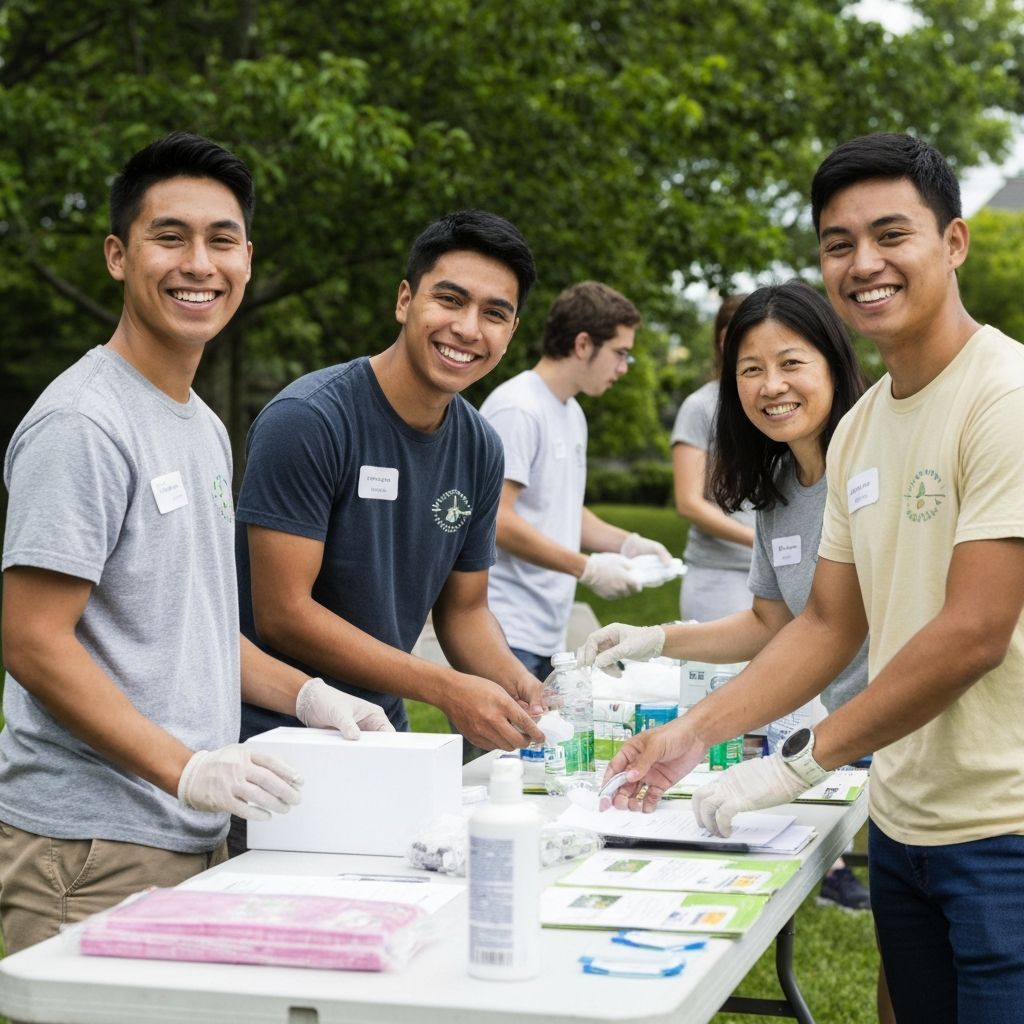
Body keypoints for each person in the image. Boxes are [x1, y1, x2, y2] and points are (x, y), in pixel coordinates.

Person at [595, 133, 1024, 1024]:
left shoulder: (1005, 395)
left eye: (890, 234)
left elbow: (975, 630)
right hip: (905, 824)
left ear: (952, 242)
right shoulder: (863, 427)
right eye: (838, 244)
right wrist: (688, 736)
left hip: (1006, 831)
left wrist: (798, 764)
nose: (863, 263)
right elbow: (826, 623)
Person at [0, 132, 391, 955]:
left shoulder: (204, 427)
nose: (198, 264)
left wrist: (311, 696)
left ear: (247, 258)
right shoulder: (83, 423)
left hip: (191, 834)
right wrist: (184, 768)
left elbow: (195, 630)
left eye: (221, 240)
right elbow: (33, 643)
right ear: (117, 254)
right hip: (90, 848)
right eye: (168, 237)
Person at [580, 279, 872, 913]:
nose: (772, 386)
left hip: (902, 723)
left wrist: (723, 742)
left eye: (792, 363)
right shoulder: (778, 483)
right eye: (751, 369)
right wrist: (657, 639)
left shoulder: (873, 462)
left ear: (833, 362)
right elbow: (772, 622)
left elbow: (830, 625)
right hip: (859, 726)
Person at [234, 210, 547, 786]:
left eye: (494, 314)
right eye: (449, 300)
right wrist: (445, 688)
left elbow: (465, 610)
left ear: (511, 333)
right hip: (271, 743)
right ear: (405, 300)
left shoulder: (480, 446)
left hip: (383, 740)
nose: (468, 328)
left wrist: (521, 686)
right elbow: (283, 615)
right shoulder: (309, 421)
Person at [480, 281, 672, 682]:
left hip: (546, 631)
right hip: (501, 629)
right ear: (583, 344)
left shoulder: (572, 413)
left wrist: (628, 543)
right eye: (620, 354)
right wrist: (587, 569)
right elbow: (497, 519)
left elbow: (560, 507)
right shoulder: (518, 408)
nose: (624, 368)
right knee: (498, 747)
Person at [672, 295, 756, 621]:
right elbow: (689, 503)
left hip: (775, 573)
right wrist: (762, 542)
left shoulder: (775, 403)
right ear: (723, 340)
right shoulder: (700, 407)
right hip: (719, 578)